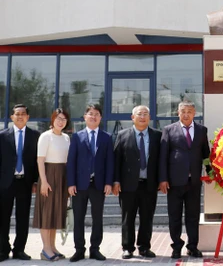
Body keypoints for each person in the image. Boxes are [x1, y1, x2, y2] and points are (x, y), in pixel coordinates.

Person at [159, 101, 210, 259]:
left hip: (194, 181)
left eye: (189, 111)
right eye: (183, 111)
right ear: (178, 113)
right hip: (174, 182)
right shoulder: (168, 130)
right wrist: (163, 179)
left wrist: (210, 173)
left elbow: (206, 154)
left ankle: (192, 246)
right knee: (174, 215)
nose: (186, 114)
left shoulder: (201, 130)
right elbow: (163, 157)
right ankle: (176, 246)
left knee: (193, 215)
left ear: (195, 113)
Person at [66, 104, 114, 262]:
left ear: (100, 118)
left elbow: (109, 162)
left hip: (99, 184)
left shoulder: (106, 137)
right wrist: (71, 183)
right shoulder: (77, 137)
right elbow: (71, 161)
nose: (93, 116)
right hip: (79, 185)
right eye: (90, 114)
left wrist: (109, 182)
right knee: (78, 218)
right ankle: (79, 249)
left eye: (97, 114)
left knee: (97, 218)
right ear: (85, 117)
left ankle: (95, 249)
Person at [113, 105, 162, 259]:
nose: (142, 117)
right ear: (132, 118)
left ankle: (144, 247)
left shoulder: (157, 136)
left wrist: (161, 180)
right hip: (128, 185)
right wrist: (116, 181)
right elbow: (116, 160)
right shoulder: (122, 135)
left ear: (149, 117)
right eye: (139, 114)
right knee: (128, 218)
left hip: (149, 184)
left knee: (147, 217)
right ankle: (127, 247)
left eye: (145, 114)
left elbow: (161, 161)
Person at [0, 104, 40, 261]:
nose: (20, 116)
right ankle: (3, 250)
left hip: (25, 183)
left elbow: (38, 161)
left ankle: (19, 250)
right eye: (17, 114)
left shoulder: (35, 136)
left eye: (24, 113)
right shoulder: (2, 136)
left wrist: (36, 181)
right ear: (12, 117)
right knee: (3, 218)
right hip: (5, 184)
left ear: (28, 117)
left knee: (22, 218)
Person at [33, 108, 71, 261]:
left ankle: (53, 247)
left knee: (57, 213)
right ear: (52, 119)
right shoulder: (45, 136)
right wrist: (43, 182)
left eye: (64, 119)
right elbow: (40, 160)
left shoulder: (67, 138)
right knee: (47, 213)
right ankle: (45, 249)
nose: (61, 121)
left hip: (62, 176)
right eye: (58, 118)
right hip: (48, 175)